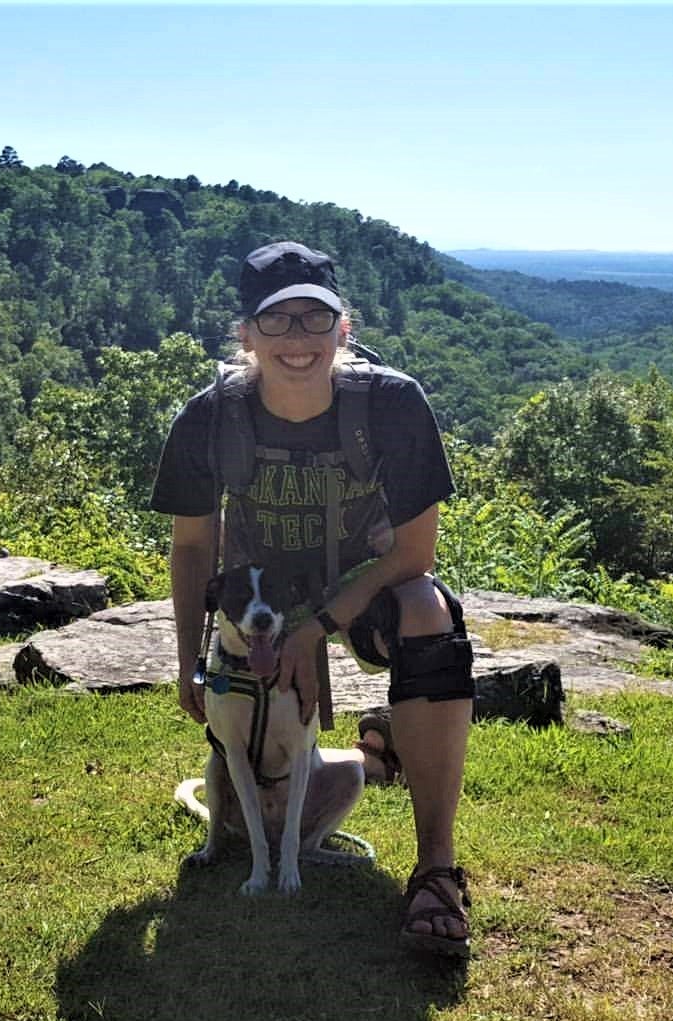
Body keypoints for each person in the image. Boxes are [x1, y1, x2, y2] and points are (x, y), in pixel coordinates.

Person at [151, 241, 475, 955]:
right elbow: (193, 547)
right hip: (261, 604)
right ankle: (376, 750)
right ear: (245, 336)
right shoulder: (210, 417)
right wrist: (190, 665)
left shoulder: (391, 405)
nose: (297, 340)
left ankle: (437, 870)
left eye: (314, 320)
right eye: (276, 322)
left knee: (429, 613)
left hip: (361, 592)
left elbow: (414, 555)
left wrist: (319, 626)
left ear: (343, 329)